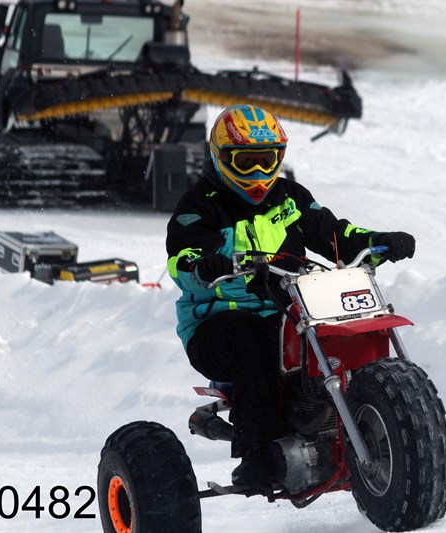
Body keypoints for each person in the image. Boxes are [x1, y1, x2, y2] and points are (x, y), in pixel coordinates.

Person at [166, 104, 415, 490]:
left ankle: (370, 424)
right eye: (245, 161)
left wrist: (377, 241)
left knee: (342, 332)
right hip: (217, 319)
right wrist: (204, 266)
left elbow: (334, 235)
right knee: (254, 341)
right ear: (221, 158)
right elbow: (183, 257)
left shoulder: (290, 198)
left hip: (290, 308)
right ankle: (257, 456)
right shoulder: (200, 205)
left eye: (266, 160)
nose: (258, 172)